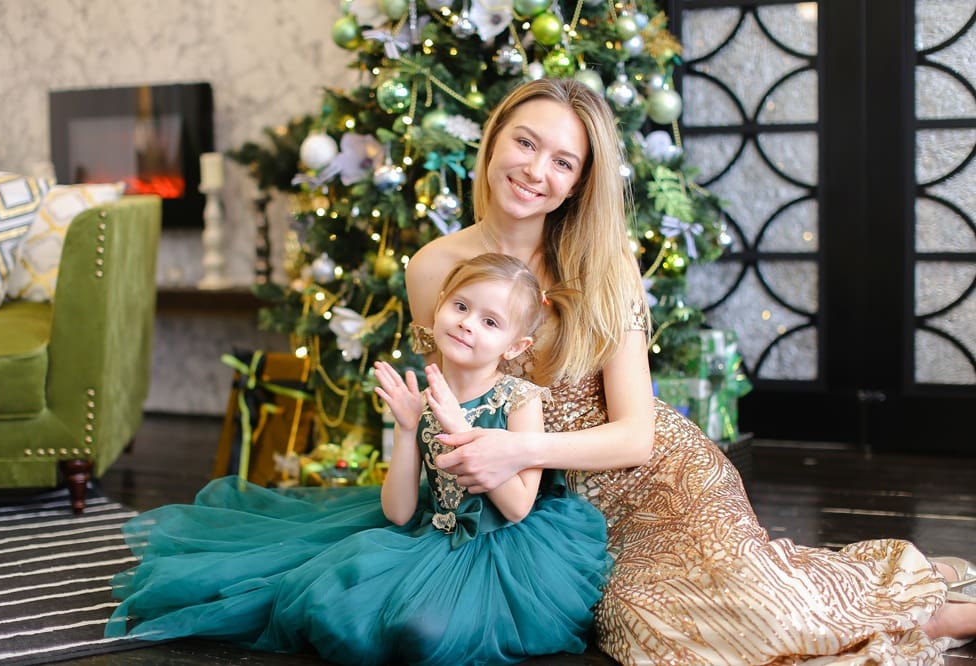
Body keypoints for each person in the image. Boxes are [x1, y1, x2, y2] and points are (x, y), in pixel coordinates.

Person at [404, 77, 976, 664]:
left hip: (654, 476)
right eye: (525, 143)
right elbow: (456, 401)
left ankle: (933, 603)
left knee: (767, 616)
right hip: (544, 502)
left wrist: (519, 450)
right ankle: (903, 588)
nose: (535, 170)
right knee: (669, 638)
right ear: (494, 140)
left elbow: (635, 434)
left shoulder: (604, 262)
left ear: (578, 183)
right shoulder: (433, 268)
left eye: (562, 161)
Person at [106, 252, 612, 665]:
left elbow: (519, 506)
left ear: (514, 344)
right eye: (460, 306)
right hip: (428, 532)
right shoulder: (424, 396)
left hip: (503, 547)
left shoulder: (520, 400)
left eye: (489, 321)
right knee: (330, 605)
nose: (467, 325)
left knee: (424, 633)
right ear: (439, 306)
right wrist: (409, 428)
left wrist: (463, 431)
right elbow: (397, 511)